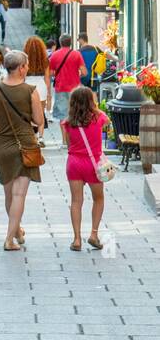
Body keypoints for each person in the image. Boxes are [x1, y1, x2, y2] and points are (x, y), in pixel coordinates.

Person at [0, 49, 45, 252]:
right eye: (26, 65)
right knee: (19, 196)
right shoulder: (30, 90)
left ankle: (17, 230)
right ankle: (9, 239)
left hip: (2, 144)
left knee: (9, 194)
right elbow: (39, 120)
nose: (27, 69)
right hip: (25, 144)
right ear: (21, 68)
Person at [62, 85, 109, 252]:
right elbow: (107, 123)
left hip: (74, 163)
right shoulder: (99, 117)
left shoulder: (67, 122)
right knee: (98, 198)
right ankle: (94, 234)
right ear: (91, 101)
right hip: (93, 164)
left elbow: (68, 144)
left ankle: (76, 239)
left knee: (76, 201)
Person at [48, 33, 89, 141]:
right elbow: (84, 72)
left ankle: (64, 140)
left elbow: (51, 73)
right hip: (75, 89)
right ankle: (74, 139)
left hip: (60, 88)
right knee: (75, 113)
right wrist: (77, 74)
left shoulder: (54, 55)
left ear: (60, 43)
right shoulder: (76, 54)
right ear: (71, 43)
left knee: (62, 115)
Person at [23, 36, 52, 140]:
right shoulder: (45, 60)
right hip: (41, 86)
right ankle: (41, 136)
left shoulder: (24, 60)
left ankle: (32, 135)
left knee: (28, 112)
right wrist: (49, 93)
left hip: (27, 87)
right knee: (41, 112)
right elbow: (47, 78)